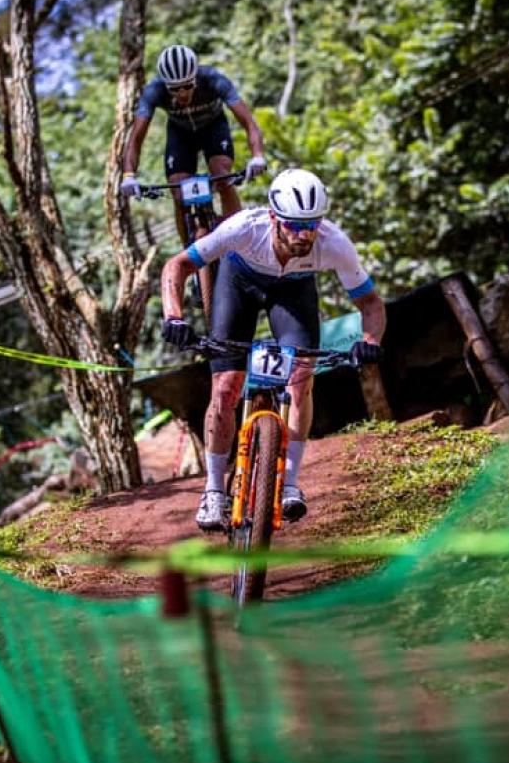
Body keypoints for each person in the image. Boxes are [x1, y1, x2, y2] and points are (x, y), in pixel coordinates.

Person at [159, 168, 386, 530]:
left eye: (311, 225)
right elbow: (178, 265)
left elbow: (371, 304)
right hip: (239, 283)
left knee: (301, 380)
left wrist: (369, 342)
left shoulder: (334, 244)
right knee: (226, 386)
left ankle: (290, 484)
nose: (304, 235)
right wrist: (174, 317)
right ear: (273, 218)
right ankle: (215, 490)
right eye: (294, 225)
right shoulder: (245, 228)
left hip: (293, 293)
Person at [120, 44, 268, 250]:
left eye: (188, 86)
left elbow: (249, 123)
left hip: (213, 128)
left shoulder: (213, 80)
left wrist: (257, 155)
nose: (182, 93)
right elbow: (136, 138)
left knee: (222, 175)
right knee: (178, 192)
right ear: (166, 85)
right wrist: (129, 175)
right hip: (180, 135)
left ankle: (239, 240)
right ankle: (188, 255)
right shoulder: (154, 91)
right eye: (175, 88)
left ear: (196, 78)